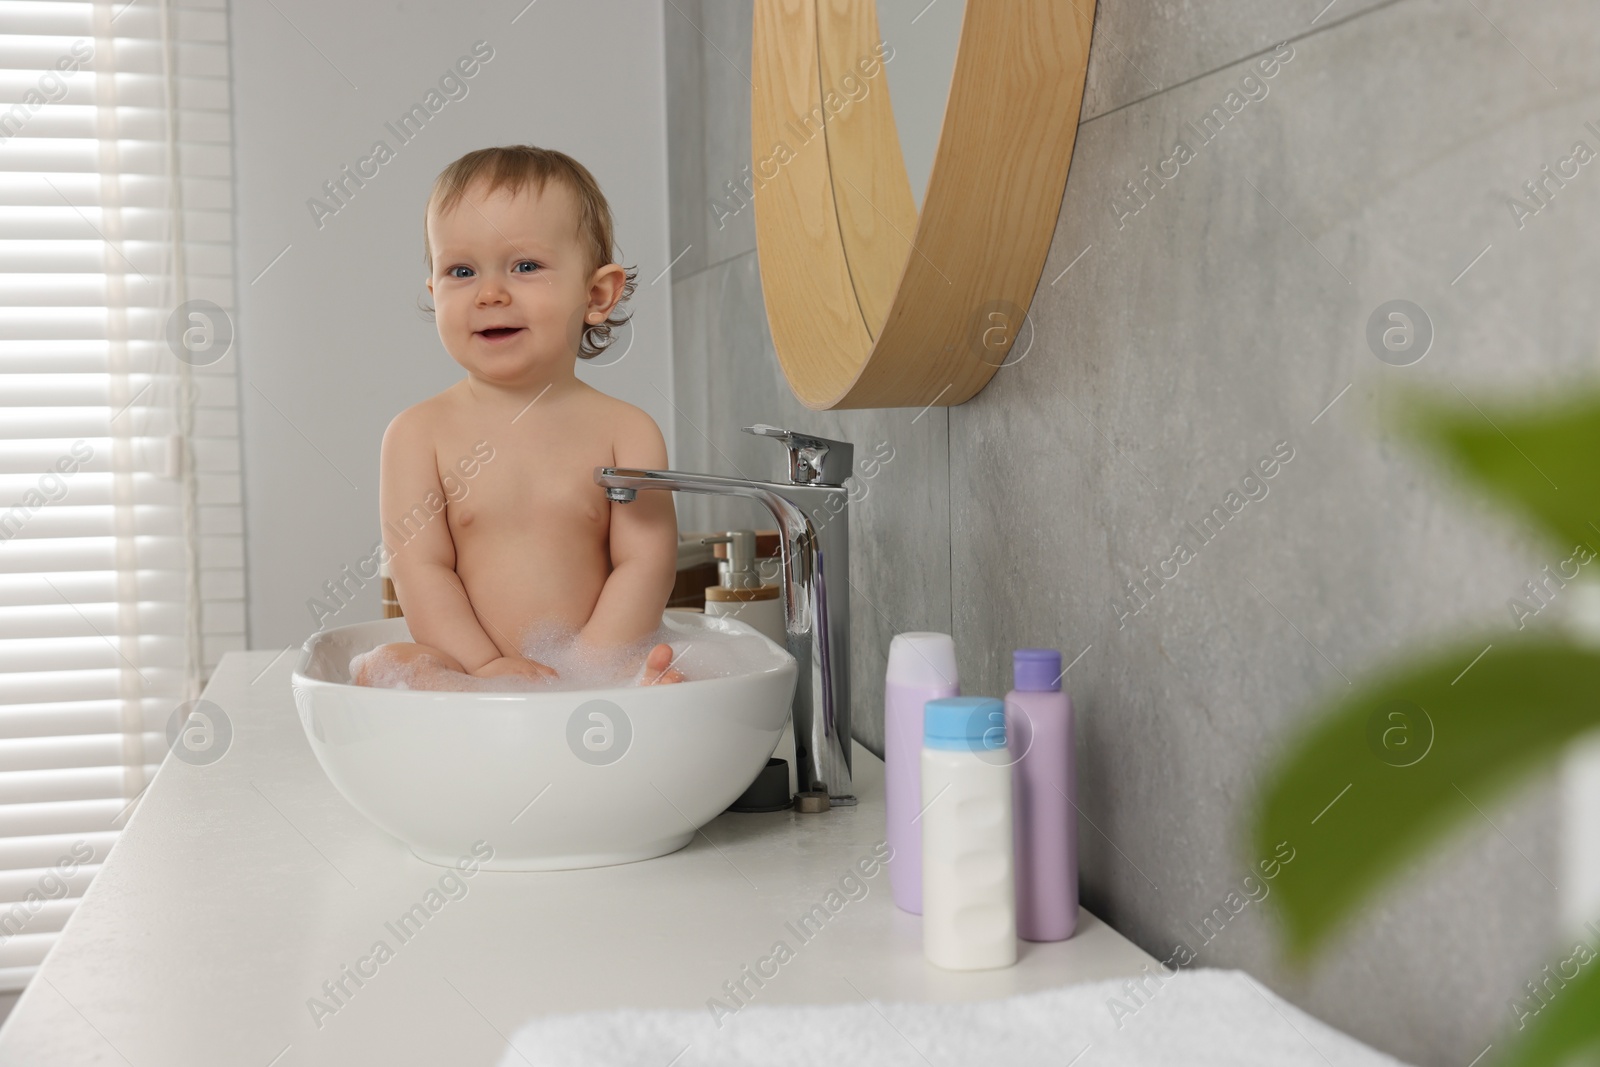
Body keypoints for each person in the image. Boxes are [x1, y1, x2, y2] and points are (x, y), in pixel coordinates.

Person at [352, 145, 685, 690]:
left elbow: (645, 565)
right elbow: (422, 571)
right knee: (387, 668)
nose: (489, 293)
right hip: (467, 672)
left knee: (669, 676)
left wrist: (591, 669)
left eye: (525, 266)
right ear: (436, 295)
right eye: (461, 271)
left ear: (597, 294)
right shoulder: (417, 436)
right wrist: (484, 668)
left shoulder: (627, 432)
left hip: (592, 666)